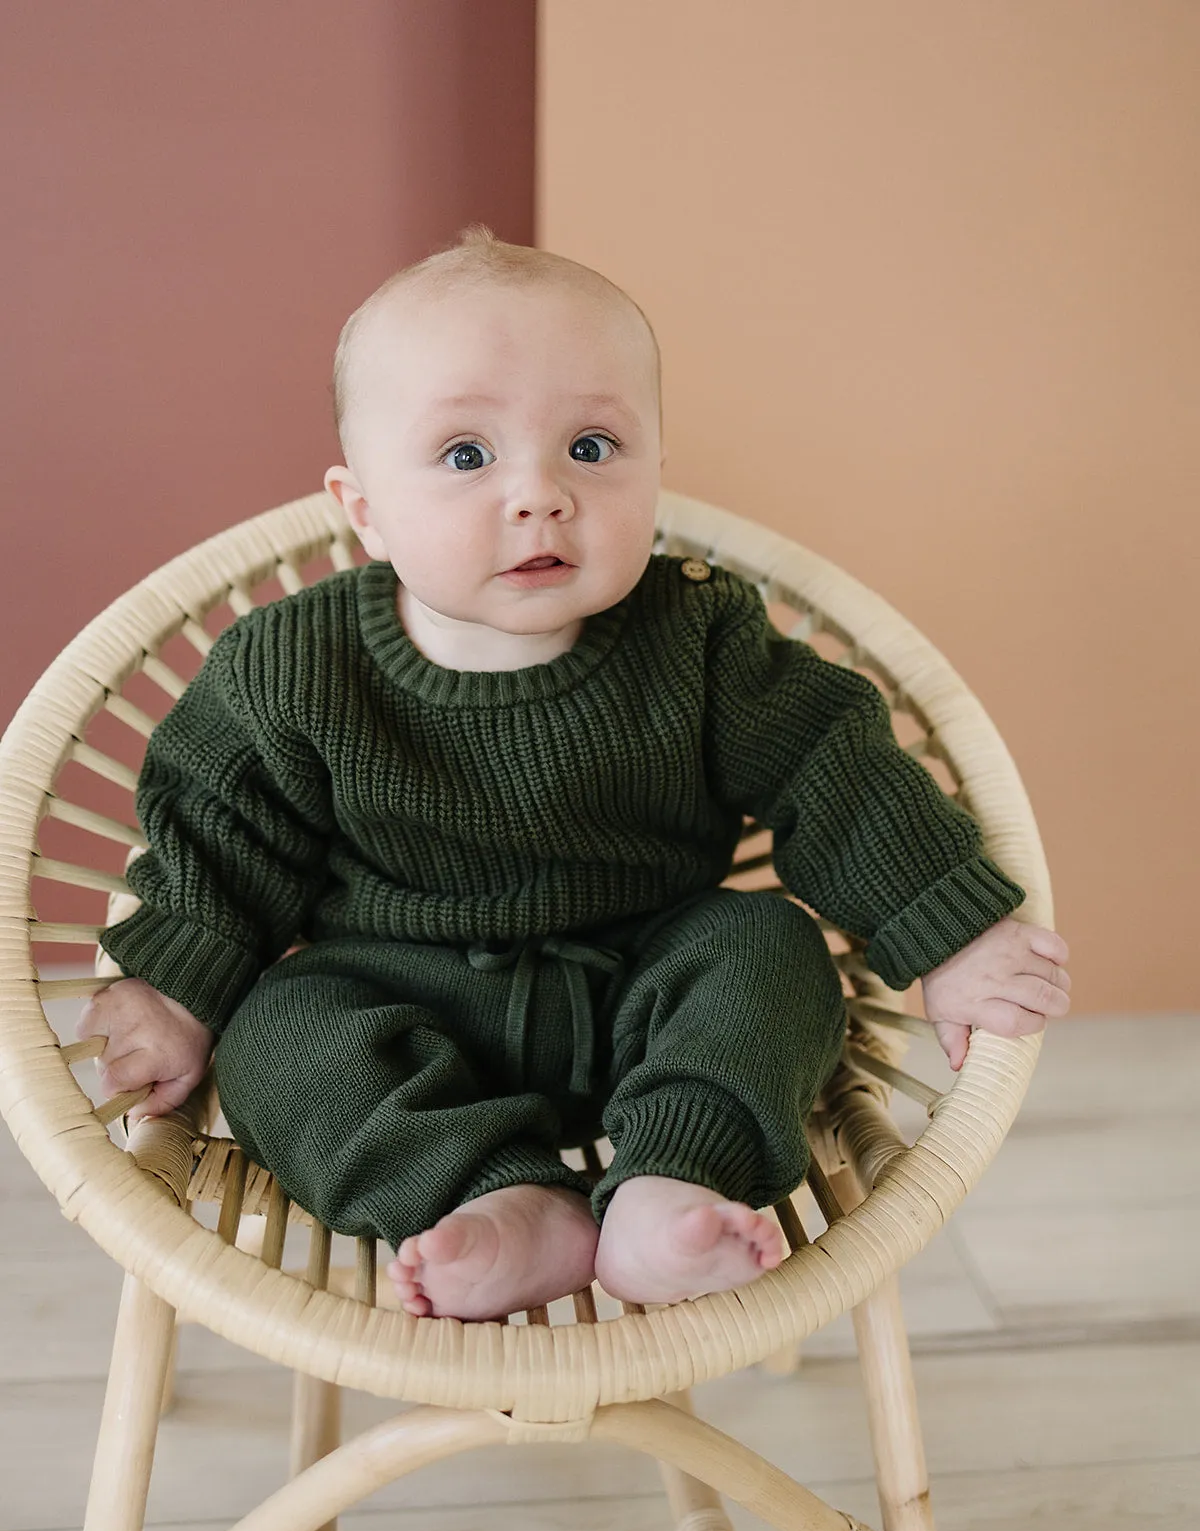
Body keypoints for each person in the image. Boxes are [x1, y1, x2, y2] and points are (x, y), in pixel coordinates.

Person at [84, 227, 1070, 1322]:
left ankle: (670, 1177)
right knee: (279, 1035)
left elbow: (833, 769)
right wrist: (177, 987)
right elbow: (218, 835)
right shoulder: (289, 666)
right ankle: (497, 1202)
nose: (540, 494)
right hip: (403, 995)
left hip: (648, 976)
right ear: (362, 506)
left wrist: (950, 929)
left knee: (770, 947)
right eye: (467, 455)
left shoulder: (699, 632)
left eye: (592, 447)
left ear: (657, 463)